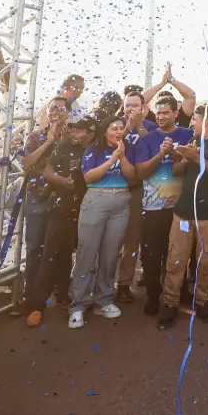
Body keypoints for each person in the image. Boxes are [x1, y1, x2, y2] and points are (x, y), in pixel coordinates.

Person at [156, 105, 208, 328]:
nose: (192, 125)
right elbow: (176, 172)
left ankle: (202, 302)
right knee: (175, 259)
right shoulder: (192, 142)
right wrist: (178, 155)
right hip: (183, 213)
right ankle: (169, 304)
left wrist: (196, 156)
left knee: (207, 262)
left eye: (195, 120)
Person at [25, 116, 97, 327]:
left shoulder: (99, 148)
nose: (74, 133)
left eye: (79, 130)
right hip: (62, 207)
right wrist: (64, 182)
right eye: (73, 129)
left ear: (91, 133)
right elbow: (47, 171)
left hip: (91, 208)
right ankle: (37, 305)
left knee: (75, 254)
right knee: (51, 253)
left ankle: (67, 296)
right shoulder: (65, 145)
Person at [68, 116, 136, 329]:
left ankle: (103, 300)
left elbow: (132, 177)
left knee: (110, 253)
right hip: (96, 200)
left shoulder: (128, 148)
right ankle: (78, 304)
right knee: (87, 252)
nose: (118, 131)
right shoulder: (93, 149)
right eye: (113, 127)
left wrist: (122, 157)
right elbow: (88, 177)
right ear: (104, 131)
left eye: (121, 127)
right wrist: (110, 160)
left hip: (121, 202)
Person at [134, 96, 194, 315]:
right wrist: (161, 153)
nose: (161, 117)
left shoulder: (188, 135)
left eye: (166, 112)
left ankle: (179, 289)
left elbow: (193, 164)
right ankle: (152, 293)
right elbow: (141, 172)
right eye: (158, 113)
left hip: (182, 208)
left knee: (180, 252)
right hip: (153, 209)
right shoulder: (147, 140)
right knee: (152, 254)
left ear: (176, 113)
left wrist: (175, 153)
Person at [21, 97, 70, 304]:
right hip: (36, 198)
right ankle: (30, 293)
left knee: (62, 247)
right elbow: (26, 163)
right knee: (34, 247)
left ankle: (61, 291)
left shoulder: (72, 137)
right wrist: (48, 141)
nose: (55, 112)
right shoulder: (34, 136)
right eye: (52, 109)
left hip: (63, 200)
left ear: (68, 113)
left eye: (60, 109)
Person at [115, 91, 158, 303]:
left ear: (143, 108)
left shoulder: (150, 126)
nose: (131, 109)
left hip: (137, 189)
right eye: (127, 105)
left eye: (135, 105)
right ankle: (99, 284)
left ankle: (124, 283)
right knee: (110, 240)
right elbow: (109, 145)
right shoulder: (115, 124)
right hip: (113, 187)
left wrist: (139, 126)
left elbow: (154, 148)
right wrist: (126, 128)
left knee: (132, 240)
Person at [142, 62, 197, 128]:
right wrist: (162, 84)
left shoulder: (182, 116)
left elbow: (191, 96)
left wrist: (172, 80)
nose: (162, 116)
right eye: (161, 103)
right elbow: (140, 101)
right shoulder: (154, 119)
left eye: (167, 102)